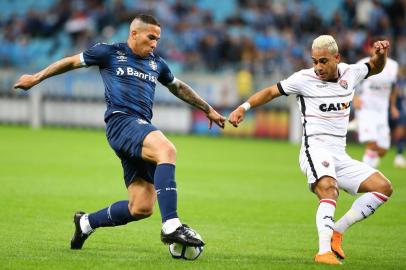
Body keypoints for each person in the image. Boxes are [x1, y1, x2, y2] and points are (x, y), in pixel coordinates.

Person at [14, 14, 225, 250]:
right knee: (166, 149)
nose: (155, 43)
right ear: (134, 33)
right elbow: (71, 62)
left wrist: (208, 109)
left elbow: (179, 87)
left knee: (141, 207)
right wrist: (36, 77)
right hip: (121, 122)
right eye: (151, 37)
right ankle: (172, 224)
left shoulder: (157, 64)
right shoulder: (109, 52)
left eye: (158, 39)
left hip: (139, 128)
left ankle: (86, 223)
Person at [228, 35, 393, 265]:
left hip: (339, 155)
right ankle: (323, 252)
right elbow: (270, 92)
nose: (318, 67)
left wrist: (381, 56)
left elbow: (375, 66)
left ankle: (337, 231)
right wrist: (243, 107)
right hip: (314, 149)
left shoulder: (351, 73)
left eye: (323, 61)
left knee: (383, 188)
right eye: (314, 61)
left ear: (337, 58)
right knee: (328, 189)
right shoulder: (302, 79)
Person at [352, 38, 399, 168]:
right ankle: (365, 173)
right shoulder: (363, 64)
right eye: (374, 47)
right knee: (371, 143)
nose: (377, 50)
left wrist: (393, 106)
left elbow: (394, 87)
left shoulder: (393, 66)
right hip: (366, 110)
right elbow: (351, 84)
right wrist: (355, 98)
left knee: (383, 150)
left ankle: (369, 160)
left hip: (382, 111)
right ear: (369, 49)